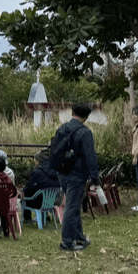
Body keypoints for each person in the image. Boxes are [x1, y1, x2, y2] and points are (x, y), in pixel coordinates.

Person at [51, 101, 99, 252]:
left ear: (72, 112)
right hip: (77, 174)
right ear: (87, 116)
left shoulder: (62, 128)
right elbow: (90, 156)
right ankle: (67, 241)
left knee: (74, 204)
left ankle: (80, 237)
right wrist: (95, 177)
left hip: (62, 172)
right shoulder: (84, 133)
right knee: (71, 207)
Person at [22, 148, 61, 222]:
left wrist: (23, 191)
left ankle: (27, 218)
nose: (34, 160)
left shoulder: (38, 172)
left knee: (26, 195)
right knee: (41, 191)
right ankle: (45, 216)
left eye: (35, 158)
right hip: (52, 200)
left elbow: (30, 186)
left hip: (39, 202)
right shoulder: (55, 170)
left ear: (39, 160)